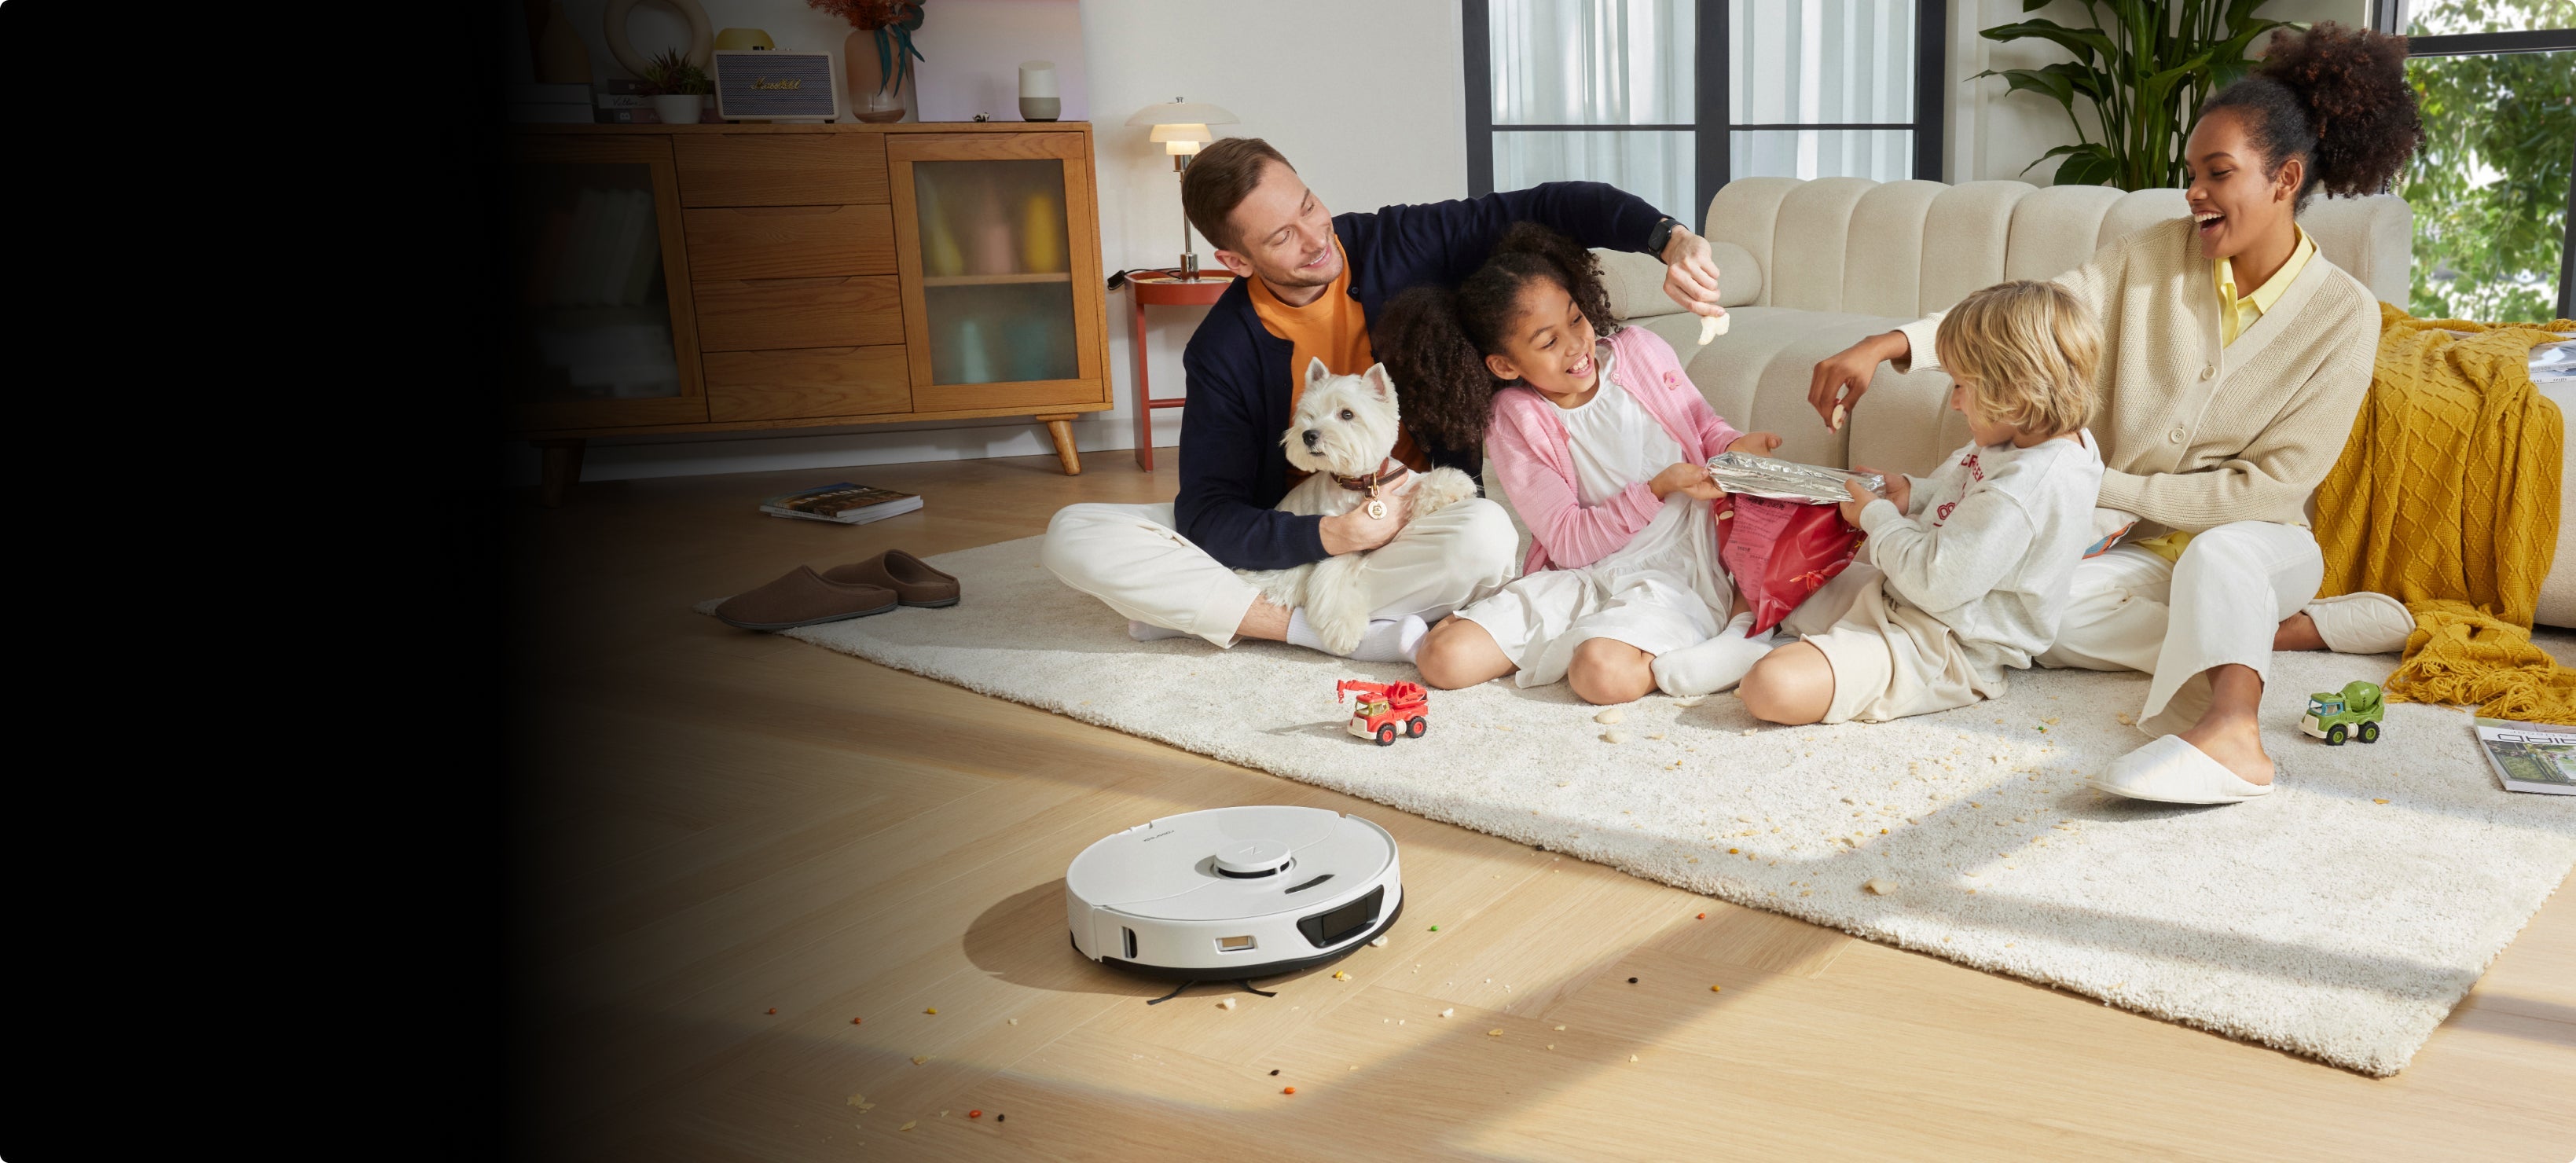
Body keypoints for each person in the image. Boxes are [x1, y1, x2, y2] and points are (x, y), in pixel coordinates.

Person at [1802, 24, 2423, 801]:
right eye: (2191, 173)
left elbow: (2269, 490)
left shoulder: (2344, 316)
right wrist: (1892, 342)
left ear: (2284, 179)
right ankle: (2267, 631)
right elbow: (2032, 318)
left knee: (2218, 562)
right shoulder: (2151, 254)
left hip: (2256, 538)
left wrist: (2092, 481)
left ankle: (2233, 733)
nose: (2193, 192)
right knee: (2015, 615)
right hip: (2121, 542)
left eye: (2218, 173)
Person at [1043, 138, 1730, 661]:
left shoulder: (1397, 244)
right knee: (1076, 534)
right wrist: (1331, 537)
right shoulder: (1223, 349)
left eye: (1308, 206)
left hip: (1415, 521)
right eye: (1282, 237)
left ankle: (1211, 608)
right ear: (1237, 261)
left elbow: (1551, 204)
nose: (1316, 239)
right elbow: (1209, 510)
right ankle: (1311, 628)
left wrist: (1668, 239)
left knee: (1489, 538)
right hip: (1298, 531)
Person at [1381, 223, 1784, 703]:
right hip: (1582, 573)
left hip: (1678, 568)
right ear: (1505, 365)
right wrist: (1655, 489)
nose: (1575, 345)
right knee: (1443, 659)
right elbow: (1569, 543)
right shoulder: (1515, 417)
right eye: (1548, 342)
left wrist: (1736, 447)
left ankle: (1726, 645)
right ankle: (1675, 644)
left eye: (1576, 319)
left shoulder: (1641, 351)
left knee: (1599, 675)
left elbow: (1702, 426)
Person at [1736, 281, 2105, 725]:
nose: (1955, 403)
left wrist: (1876, 517)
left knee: (1771, 687)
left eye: (1961, 386)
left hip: (1944, 642)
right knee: (1768, 571)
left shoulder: (2028, 485)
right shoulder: (2028, 436)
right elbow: (1976, 503)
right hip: (1904, 597)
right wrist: (1917, 493)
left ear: (2013, 390)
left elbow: (1937, 580)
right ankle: (1746, 634)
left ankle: (1756, 648)